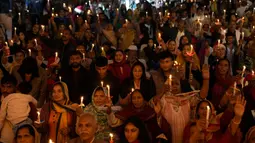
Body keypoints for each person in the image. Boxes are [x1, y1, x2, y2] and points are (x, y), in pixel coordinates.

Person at [152, 64, 210, 143]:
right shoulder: (163, 99)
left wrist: (206, 79)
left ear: (180, 86)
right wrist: (163, 91)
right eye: (172, 84)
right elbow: (152, 103)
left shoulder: (187, 99)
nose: (174, 86)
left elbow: (202, 96)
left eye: (177, 84)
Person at [0, 76, 37, 143]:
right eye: (3, 86)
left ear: (15, 87)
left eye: (9, 87)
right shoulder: (4, 100)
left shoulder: (25, 100)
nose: (5, 90)